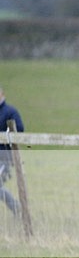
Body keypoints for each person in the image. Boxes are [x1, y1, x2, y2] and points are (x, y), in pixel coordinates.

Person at [0, 85, 24, 216]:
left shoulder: (10, 112)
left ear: (2, 94)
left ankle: (17, 209)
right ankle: (16, 209)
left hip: (4, 157)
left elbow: (19, 130)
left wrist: (6, 136)